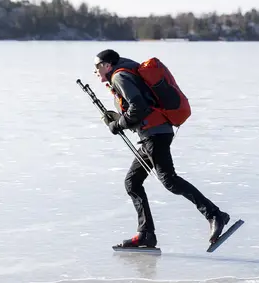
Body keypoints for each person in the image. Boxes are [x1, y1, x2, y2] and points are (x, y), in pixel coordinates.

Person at [93, 49, 230, 249]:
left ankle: (215, 214)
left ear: (107, 65)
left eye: (97, 67)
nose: (96, 72)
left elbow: (138, 107)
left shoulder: (119, 76)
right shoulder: (127, 70)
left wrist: (119, 124)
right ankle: (146, 234)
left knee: (169, 180)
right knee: (133, 182)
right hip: (155, 132)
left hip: (154, 133)